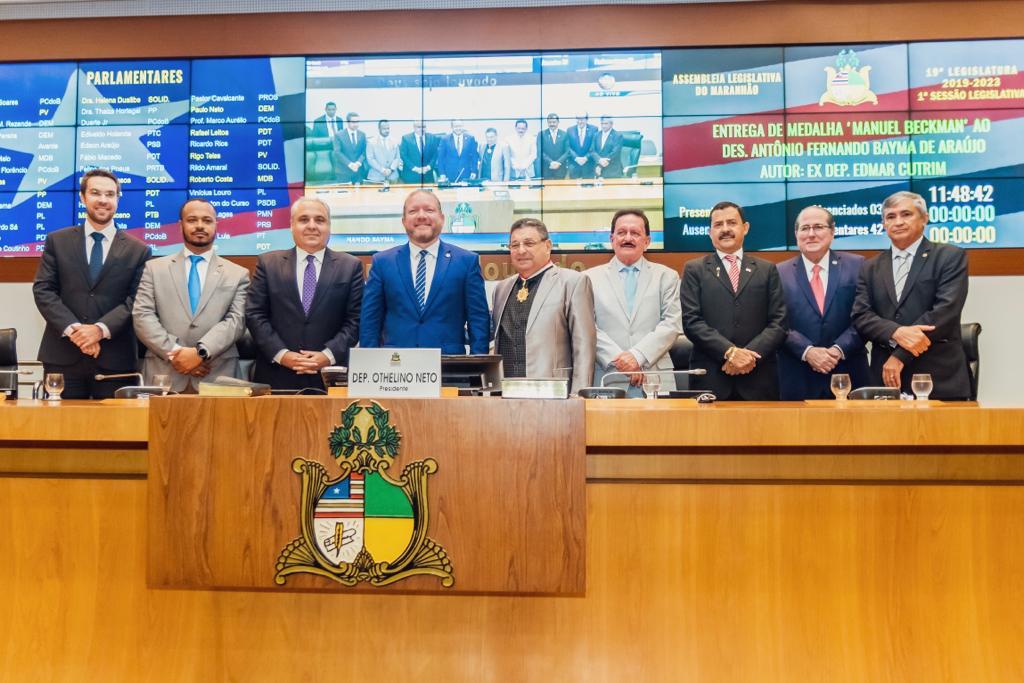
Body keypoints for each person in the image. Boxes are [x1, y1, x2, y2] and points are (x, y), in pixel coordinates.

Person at [32, 169, 150, 399]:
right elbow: (43, 290)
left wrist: (98, 330)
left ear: (118, 199)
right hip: (62, 357)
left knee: (116, 433)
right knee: (57, 432)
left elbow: (136, 300)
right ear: (83, 197)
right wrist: (76, 331)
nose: (103, 200)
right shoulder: (57, 241)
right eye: (96, 193)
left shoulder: (139, 250)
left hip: (115, 361)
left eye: (110, 194)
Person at [852, 191, 970, 399]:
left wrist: (899, 356)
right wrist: (896, 332)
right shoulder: (870, 267)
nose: (898, 222)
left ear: (924, 218)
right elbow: (862, 315)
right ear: (883, 224)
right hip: (884, 380)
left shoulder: (950, 256)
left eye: (906, 214)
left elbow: (945, 312)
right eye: (890, 217)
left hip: (937, 376)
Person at [245, 197, 363, 391]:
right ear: (291, 225)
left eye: (320, 220)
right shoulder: (268, 264)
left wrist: (327, 355)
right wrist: (282, 355)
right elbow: (254, 315)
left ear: (329, 226)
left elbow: (355, 320)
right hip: (277, 376)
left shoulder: (350, 266)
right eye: (303, 219)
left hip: (330, 377)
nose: (312, 226)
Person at [132, 199, 249, 392]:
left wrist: (200, 354)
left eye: (207, 220)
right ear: (180, 225)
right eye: (192, 220)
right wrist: (177, 353)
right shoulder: (154, 269)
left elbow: (237, 321)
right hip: (163, 376)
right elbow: (142, 316)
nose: (200, 226)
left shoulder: (237, 274)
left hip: (218, 376)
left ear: (216, 225)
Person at [360, 189, 490, 354]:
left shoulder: (466, 262)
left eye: (429, 210)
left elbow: (478, 320)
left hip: (450, 369)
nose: (421, 216)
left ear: (442, 219)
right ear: (404, 221)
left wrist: (478, 368)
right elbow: (370, 322)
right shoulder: (382, 262)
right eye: (413, 211)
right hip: (395, 369)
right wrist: (368, 365)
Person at [680, 201, 786, 400]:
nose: (725, 229)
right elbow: (692, 322)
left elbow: (779, 323)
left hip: (759, 377)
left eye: (731, 223)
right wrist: (729, 352)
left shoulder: (767, 269)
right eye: (718, 225)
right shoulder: (694, 270)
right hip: (711, 378)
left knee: (761, 432)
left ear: (745, 228)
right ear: (710, 232)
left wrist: (747, 357)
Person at [492, 218, 596, 395]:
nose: (521, 250)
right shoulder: (501, 289)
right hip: (507, 395)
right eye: (514, 245)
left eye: (529, 243)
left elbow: (584, 347)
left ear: (547, 245)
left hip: (554, 394)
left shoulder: (572, 282)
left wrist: (579, 396)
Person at [776, 206, 869, 400]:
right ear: (796, 234)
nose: (811, 234)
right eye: (804, 228)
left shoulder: (858, 265)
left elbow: (866, 315)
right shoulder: (777, 272)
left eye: (818, 227)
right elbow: (775, 322)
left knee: (854, 431)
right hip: (796, 375)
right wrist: (807, 351)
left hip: (848, 371)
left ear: (832, 232)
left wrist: (838, 349)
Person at [585, 209, 681, 394]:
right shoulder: (588, 279)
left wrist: (637, 356)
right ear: (612, 239)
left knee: (663, 425)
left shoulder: (667, 276)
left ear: (647, 241)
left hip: (655, 378)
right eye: (621, 233)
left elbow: (672, 324)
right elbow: (587, 327)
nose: (627, 238)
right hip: (608, 376)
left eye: (635, 233)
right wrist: (622, 360)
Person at [435, 120, 479, 184]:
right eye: (456, 126)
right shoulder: (445, 139)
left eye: (460, 126)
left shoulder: (470, 138)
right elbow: (440, 158)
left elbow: (474, 156)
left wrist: (474, 171)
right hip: (449, 174)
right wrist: (442, 173)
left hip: (466, 174)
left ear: (463, 126)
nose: (458, 128)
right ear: (452, 127)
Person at [332, 112, 367, 184]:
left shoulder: (362, 134)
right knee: (344, 194)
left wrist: (358, 163)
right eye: (353, 122)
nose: (356, 124)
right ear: (348, 122)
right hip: (343, 171)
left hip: (358, 171)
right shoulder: (339, 135)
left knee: (359, 194)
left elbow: (364, 151)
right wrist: (350, 164)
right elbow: (337, 152)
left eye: (357, 122)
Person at [366, 119, 402, 183]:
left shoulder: (394, 141)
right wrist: (382, 170)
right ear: (379, 129)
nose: (387, 130)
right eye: (384, 129)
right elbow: (370, 159)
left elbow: (397, 157)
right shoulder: (371, 142)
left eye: (388, 128)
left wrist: (391, 169)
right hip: (376, 177)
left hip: (393, 176)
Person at [537, 113, 569, 180]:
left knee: (561, 189)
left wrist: (558, 162)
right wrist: (551, 162)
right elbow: (540, 151)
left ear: (558, 122)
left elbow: (567, 151)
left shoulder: (564, 134)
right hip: (546, 168)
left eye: (554, 122)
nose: (552, 124)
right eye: (550, 122)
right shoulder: (541, 134)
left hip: (561, 168)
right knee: (547, 189)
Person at [567, 112, 598, 179]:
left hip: (589, 164)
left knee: (588, 187)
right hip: (574, 164)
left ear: (587, 119)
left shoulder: (594, 129)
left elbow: (594, 146)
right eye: (578, 119)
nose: (580, 121)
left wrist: (586, 158)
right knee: (574, 188)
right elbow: (568, 147)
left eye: (582, 119)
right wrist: (576, 158)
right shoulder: (570, 130)